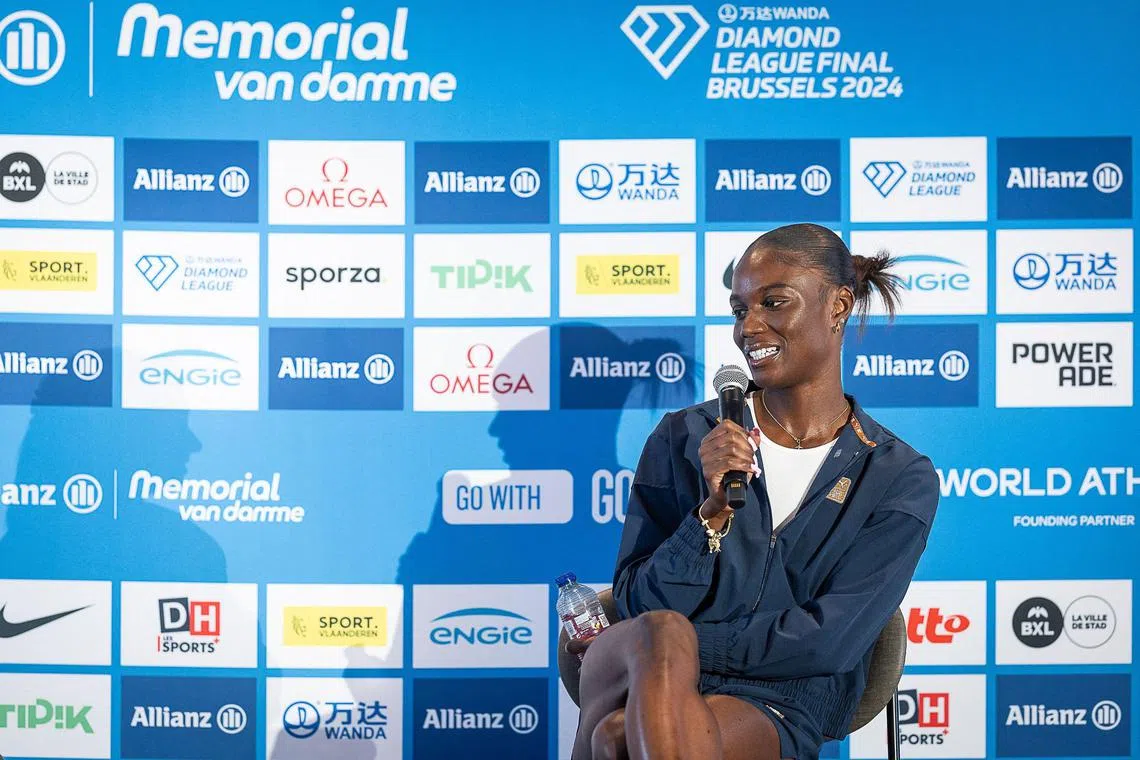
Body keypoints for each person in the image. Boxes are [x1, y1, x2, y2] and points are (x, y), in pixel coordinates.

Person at [568, 223, 940, 760]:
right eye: (740, 309)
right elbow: (637, 603)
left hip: (781, 702)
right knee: (662, 635)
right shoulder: (683, 437)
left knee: (618, 738)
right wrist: (709, 519)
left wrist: (694, 650)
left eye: (774, 302)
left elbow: (830, 641)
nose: (749, 327)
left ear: (837, 306)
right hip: (644, 666)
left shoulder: (897, 475)